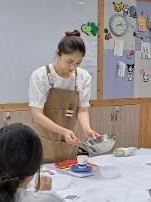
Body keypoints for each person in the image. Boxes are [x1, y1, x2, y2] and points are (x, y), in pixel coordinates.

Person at [29, 30, 100, 163]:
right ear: (58, 53)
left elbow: (82, 110)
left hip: (68, 143)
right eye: (69, 61)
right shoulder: (40, 76)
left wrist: (87, 129)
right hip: (43, 143)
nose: (73, 67)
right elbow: (36, 114)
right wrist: (62, 131)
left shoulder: (83, 77)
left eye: (78, 63)